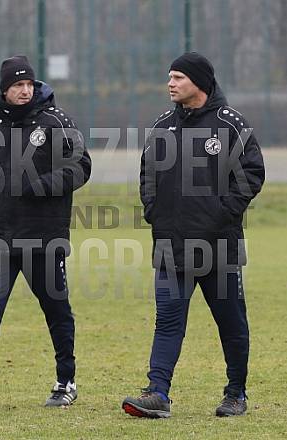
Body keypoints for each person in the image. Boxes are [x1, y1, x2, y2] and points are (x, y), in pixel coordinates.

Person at [122, 52, 265, 418]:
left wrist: (222, 213)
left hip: (218, 247)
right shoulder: (162, 126)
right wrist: (153, 210)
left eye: (178, 77)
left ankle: (235, 394)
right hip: (171, 245)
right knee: (168, 322)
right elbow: (147, 173)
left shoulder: (230, 124)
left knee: (231, 323)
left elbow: (252, 173)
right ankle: (158, 393)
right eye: (170, 77)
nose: (170, 83)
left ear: (199, 82)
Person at [0, 55, 91, 410]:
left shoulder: (56, 122)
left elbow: (81, 167)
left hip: (43, 237)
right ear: (4, 89)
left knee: (56, 310)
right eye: (17, 85)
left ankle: (66, 381)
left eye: (29, 84)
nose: (25, 90)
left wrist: (42, 185)